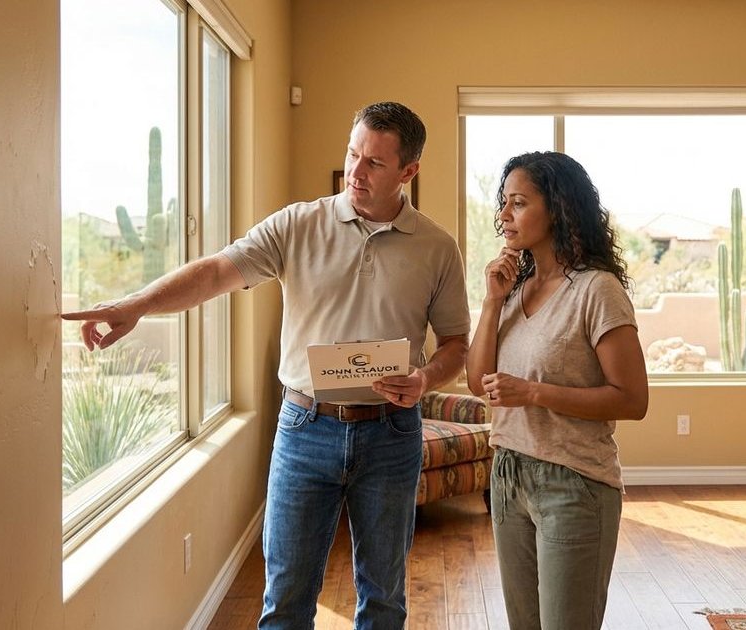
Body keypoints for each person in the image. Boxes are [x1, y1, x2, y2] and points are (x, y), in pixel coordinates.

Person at [63, 102, 470, 630]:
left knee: (385, 600)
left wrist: (424, 379)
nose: (356, 171)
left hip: (391, 436)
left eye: (374, 163)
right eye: (352, 154)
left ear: (408, 172)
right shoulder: (298, 225)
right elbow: (213, 273)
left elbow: (456, 344)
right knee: (285, 602)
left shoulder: (437, 248)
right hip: (304, 430)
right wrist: (136, 304)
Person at [466, 151, 649, 629]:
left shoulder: (597, 290)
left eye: (519, 203)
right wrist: (490, 303)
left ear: (559, 209)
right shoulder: (513, 288)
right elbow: (477, 382)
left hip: (574, 484)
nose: (504, 216)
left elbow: (632, 399)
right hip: (507, 475)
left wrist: (533, 393)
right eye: (503, 203)